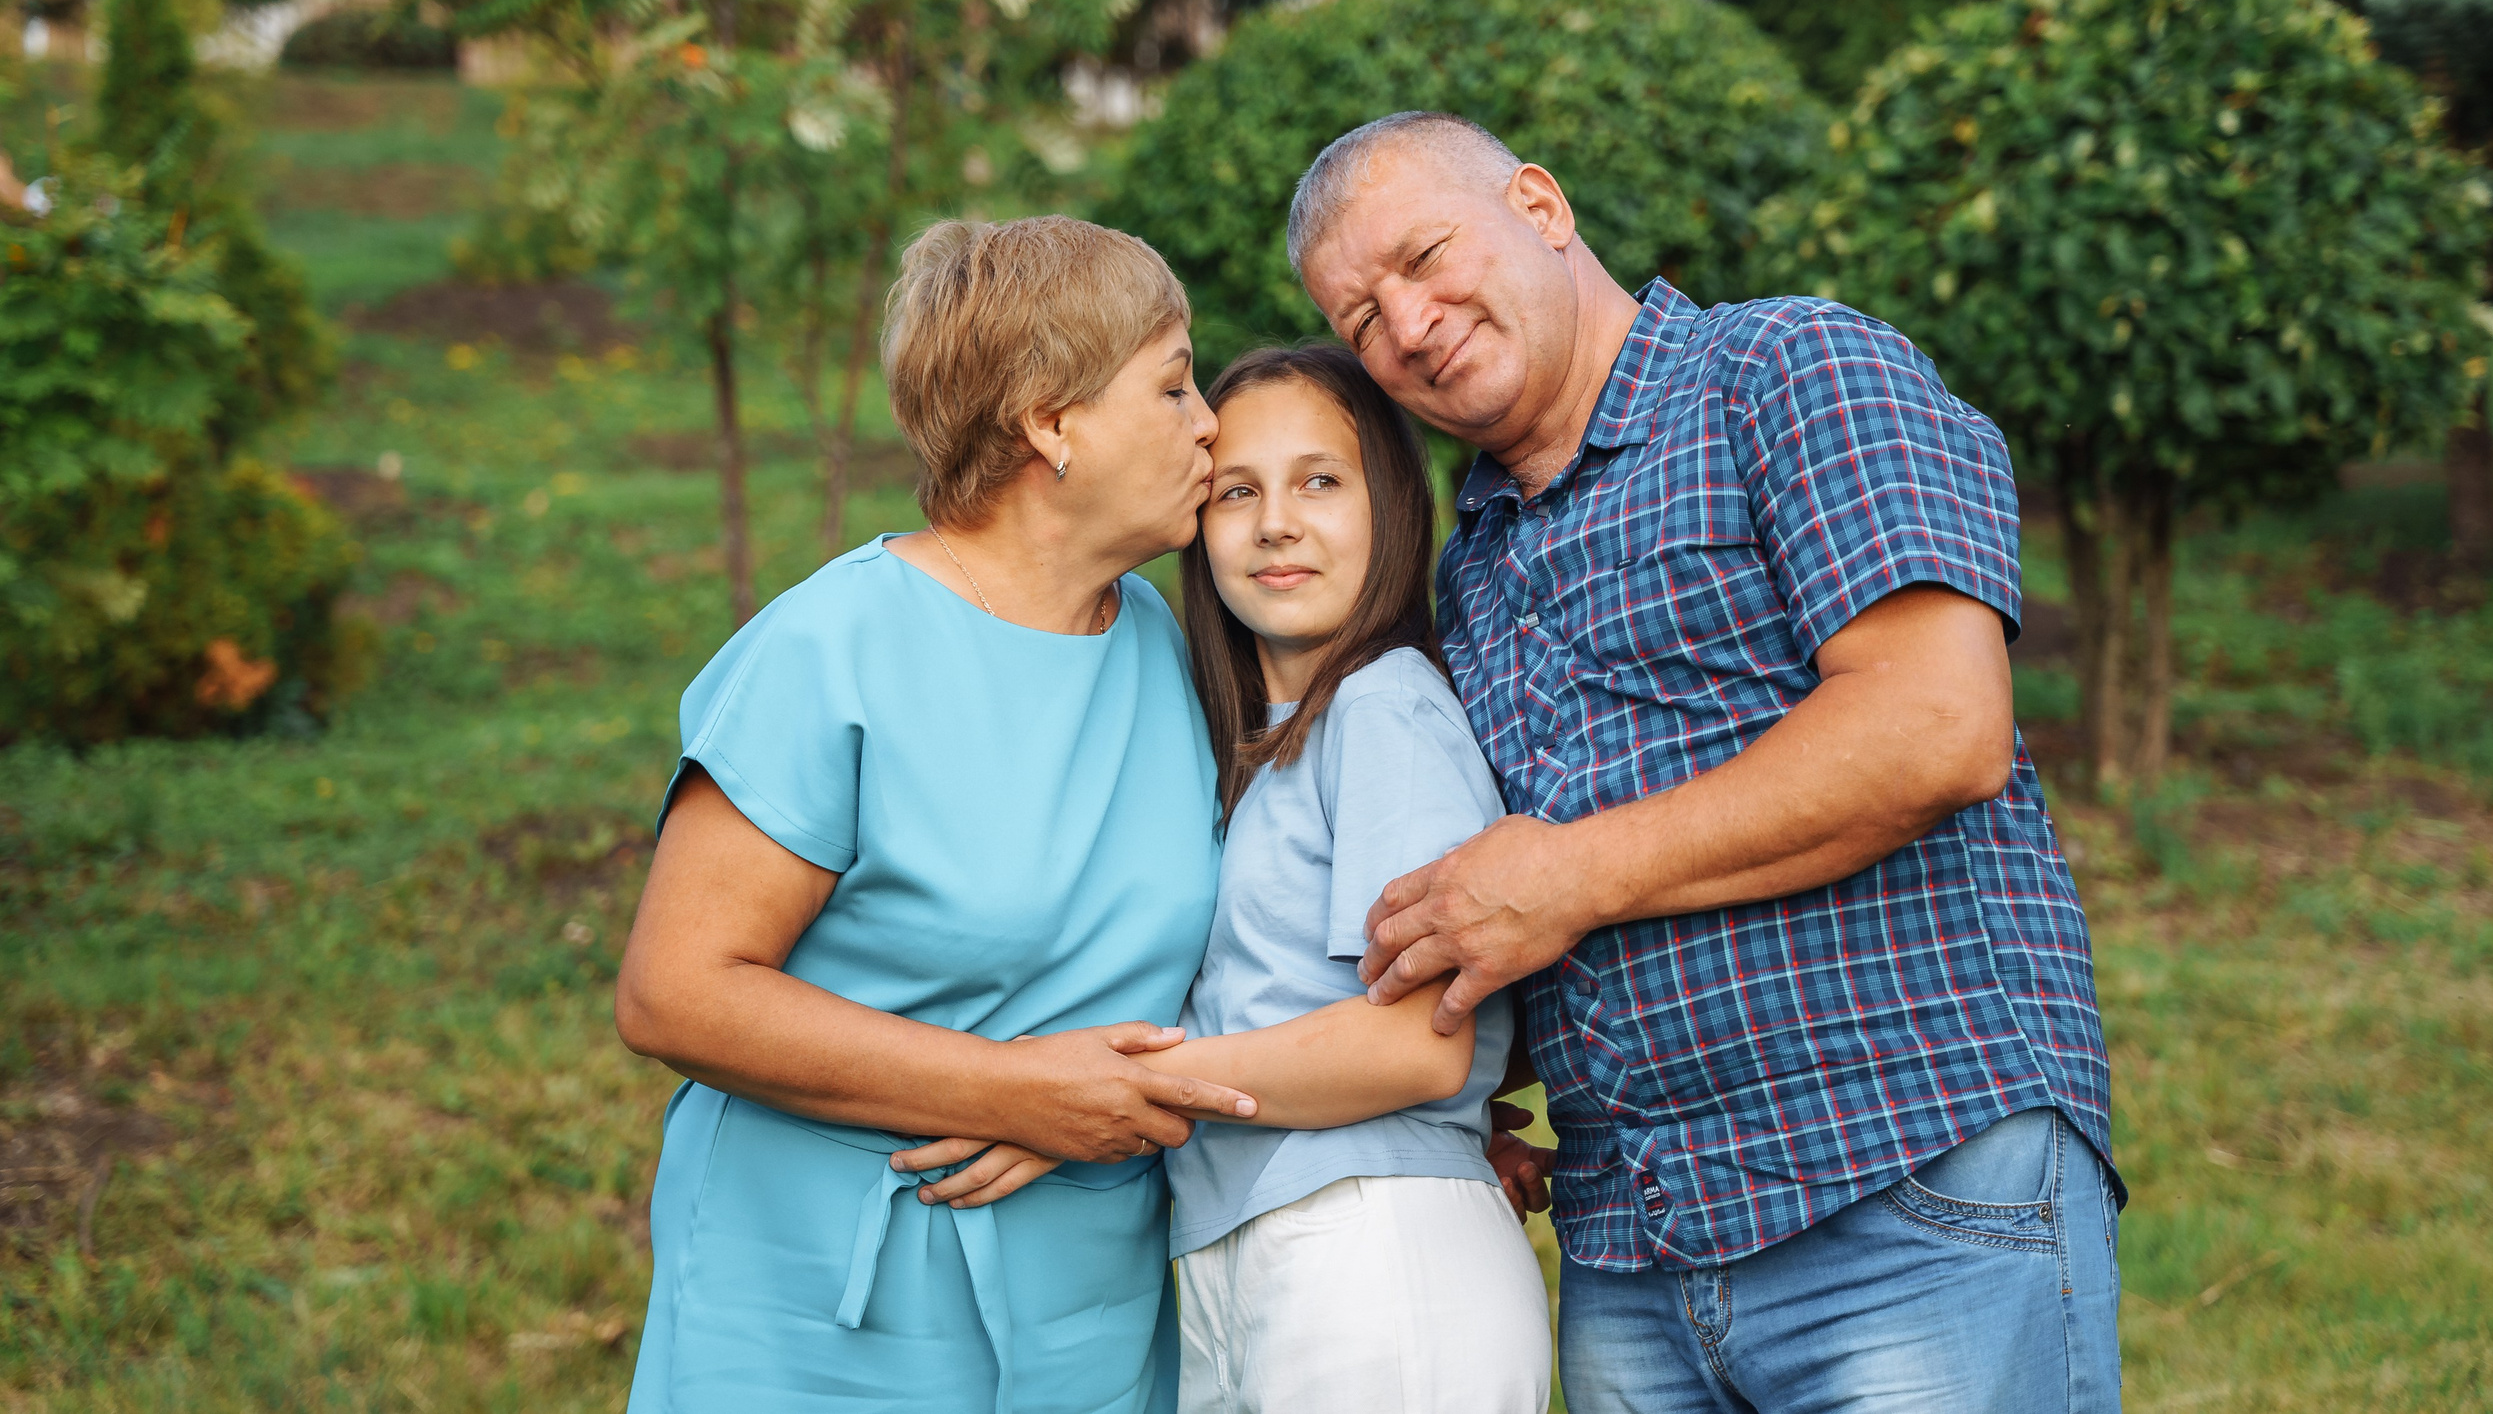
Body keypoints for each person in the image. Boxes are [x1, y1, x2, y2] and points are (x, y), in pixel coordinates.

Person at [1289, 112, 2125, 1413]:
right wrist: (1474, 1088)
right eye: (1361, 318)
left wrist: (1568, 875)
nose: (1405, 321)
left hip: (1901, 1175)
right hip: (1637, 1243)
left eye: (1425, 255)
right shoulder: (1473, 564)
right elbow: (1522, 883)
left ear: (1540, 205)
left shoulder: (1789, 368)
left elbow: (1935, 726)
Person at [614, 215, 1255, 1414]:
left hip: (1090, 1307)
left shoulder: (1162, 639)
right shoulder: (832, 650)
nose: (1209, 420)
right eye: (1172, 385)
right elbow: (675, 988)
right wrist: (1001, 1089)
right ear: (1049, 423)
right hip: (824, 1310)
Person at [909, 344, 1554, 1412]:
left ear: (1390, 503)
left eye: (1320, 481)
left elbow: (1415, 1043)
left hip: (1366, 1243)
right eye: (1237, 491)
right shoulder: (1237, 741)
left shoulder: (1385, 706)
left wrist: (1109, 1094)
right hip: (1238, 1247)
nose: (1275, 524)